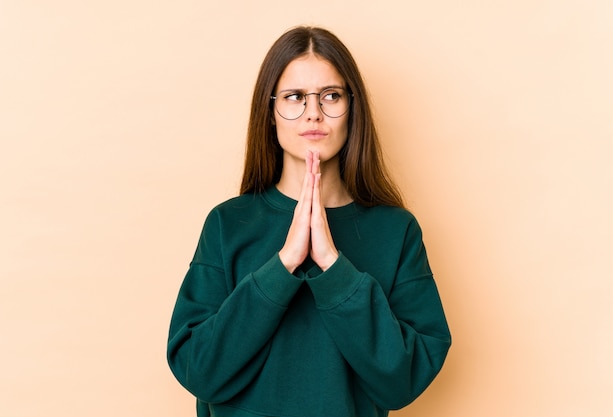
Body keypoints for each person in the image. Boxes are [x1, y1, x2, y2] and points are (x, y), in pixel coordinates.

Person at [167, 26, 451, 417]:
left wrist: (333, 266)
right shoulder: (227, 224)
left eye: (331, 96)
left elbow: (402, 381)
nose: (313, 113)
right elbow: (197, 370)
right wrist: (282, 265)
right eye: (295, 97)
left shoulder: (396, 231)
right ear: (269, 112)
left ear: (354, 109)